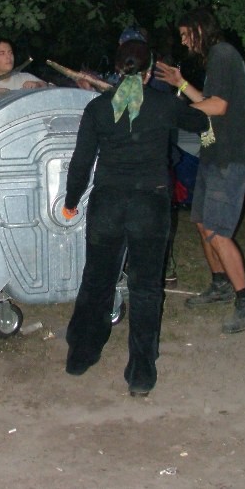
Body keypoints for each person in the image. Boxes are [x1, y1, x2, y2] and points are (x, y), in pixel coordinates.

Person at [62, 40, 208, 395]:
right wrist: (181, 90)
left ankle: (80, 355)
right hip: (150, 204)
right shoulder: (164, 105)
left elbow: (81, 162)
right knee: (145, 288)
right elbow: (202, 120)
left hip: (108, 203)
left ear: (117, 68)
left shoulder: (98, 107)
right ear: (149, 71)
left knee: (96, 281)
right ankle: (141, 374)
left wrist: (71, 201)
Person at [155, 7, 245, 334]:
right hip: (213, 153)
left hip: (229, 157)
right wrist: (181, 84)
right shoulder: (217, 58)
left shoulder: (222, 54)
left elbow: (218, 106)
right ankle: (220, 284)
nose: (185, 42)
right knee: (202, 222)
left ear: (200, 29)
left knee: (216, 230)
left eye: (186, 35)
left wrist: (169, 111)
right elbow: (209, 100)